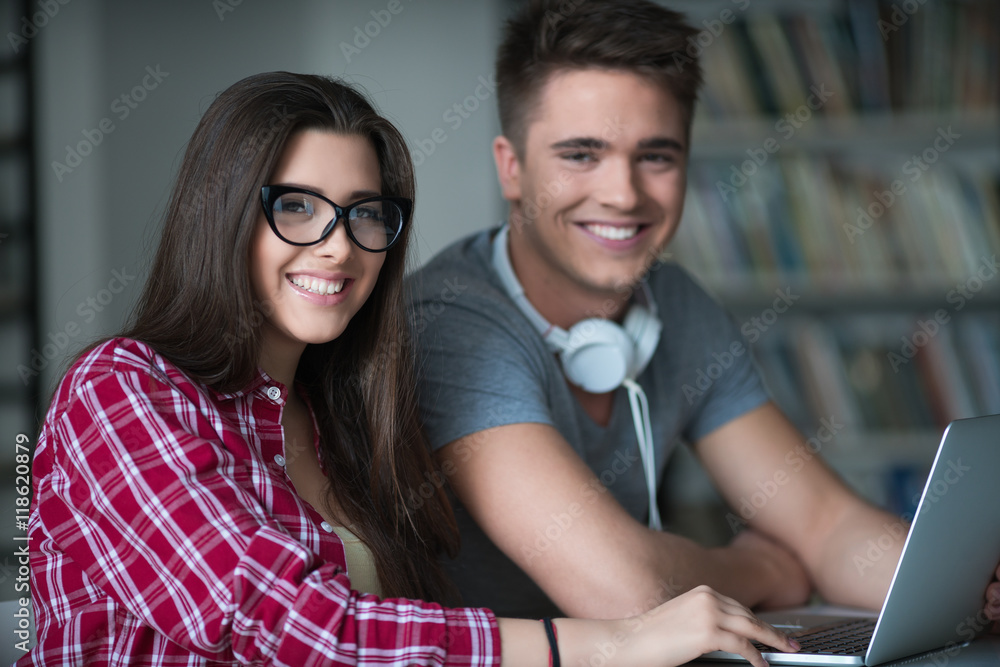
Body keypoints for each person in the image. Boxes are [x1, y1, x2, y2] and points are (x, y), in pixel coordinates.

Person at [21, 71, 801, 666]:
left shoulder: (351, 415)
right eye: (296, 206)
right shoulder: (120, 391)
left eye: (366, 213)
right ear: (221, 215)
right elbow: (296, 627)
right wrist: (608, 642)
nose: (338, 244)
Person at [408, 0, 1000, 626]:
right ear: (512, 168)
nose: (622, 194)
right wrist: (763, 570)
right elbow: (624, 590)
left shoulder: (675, 305)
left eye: (655, 156)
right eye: (580, 154)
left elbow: (825, 524)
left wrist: (970, 586)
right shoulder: (452, 322)